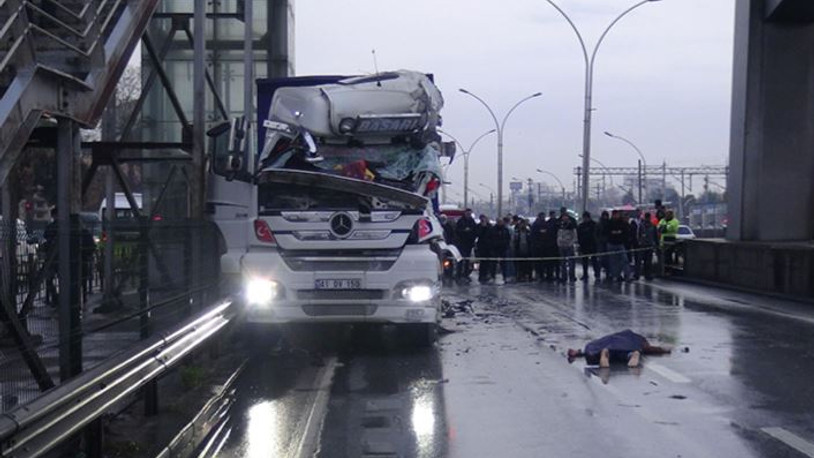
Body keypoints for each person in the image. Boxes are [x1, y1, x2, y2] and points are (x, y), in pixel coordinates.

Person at [567, 329, 672, 368]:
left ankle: (600, 353)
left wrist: (578, 353)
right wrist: (666, 350)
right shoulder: (637, 341)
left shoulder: (631, 335)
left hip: (606, 343)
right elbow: (652, 349)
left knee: (596, 347)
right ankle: (631, 355)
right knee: (625, 354)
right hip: (624, 347)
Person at [607, 210, 631, 282]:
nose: (616, 216)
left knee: (624, 260)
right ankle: (616, 275)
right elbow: (607, 232)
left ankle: (627, 275)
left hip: (620, 243)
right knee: (614, 261)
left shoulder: (622, 223)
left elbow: (625, 232)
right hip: (612, 243)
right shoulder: (609, 223)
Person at [577, 211, 600, 281]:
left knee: (594, 261)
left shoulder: (594, 225)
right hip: (584, 245)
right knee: (585, 262)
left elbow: (597, 235)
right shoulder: (581, 226)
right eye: (584, 218)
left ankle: (597, 274)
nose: (585, 219)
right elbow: (579, 236)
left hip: (593, 245)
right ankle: (585, 274)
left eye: (586, 218)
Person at [455, 209, 477, 282]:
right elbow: (457, 231)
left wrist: (471, 237)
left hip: (469, 243)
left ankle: (466, 274)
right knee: (460, 259)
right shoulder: (461, 221)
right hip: (461, 243)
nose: (468, 215)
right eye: (467, 213)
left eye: (470, 213)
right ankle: (458, 274)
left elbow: (475, 231)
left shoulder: (472, 221)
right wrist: (464, 231)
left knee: (467, 260)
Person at [556, 207, 577, 282]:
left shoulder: (572, 222)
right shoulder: (559, 222)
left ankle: (572, 276)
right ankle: (564, 276)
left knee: (571, 262)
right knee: (562, 262)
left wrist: (572, 243)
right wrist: (558, 243)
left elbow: (574, 235)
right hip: (561, 245)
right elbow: (558, 234)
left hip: (569, 245)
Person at [637, 212, 658, 280]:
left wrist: (656, 244)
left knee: (648, 261)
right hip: (643, 245)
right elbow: (639, 235)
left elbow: (655, 236)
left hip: (649, 245)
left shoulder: (652, 225)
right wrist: (639, 242)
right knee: (640, 261)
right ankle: (638, 275)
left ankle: (647, 275)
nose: (647, 219)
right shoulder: (642, 225)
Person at [475, 214, 495, 283]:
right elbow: (477, 234)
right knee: (482, 262)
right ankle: (482, 275)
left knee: (489, 262)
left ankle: (488, 275)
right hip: (481, 246)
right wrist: (483, 227)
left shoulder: (490, 226)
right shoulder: (478, 226)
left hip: (489, 246)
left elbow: (492, 235)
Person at [542, 210, 560, 282]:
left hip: (549, 245)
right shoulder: (557, 223)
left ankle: (550, 275)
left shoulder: (547, 223)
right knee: (556, 262)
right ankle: (556, 275)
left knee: (550, 262)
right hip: (555, 245)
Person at [530, 213, 547, 282]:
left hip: (540, 246)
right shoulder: (537, 225)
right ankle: (540, 274)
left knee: (540, 262)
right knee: (539, 262)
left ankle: (540, 274)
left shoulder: (537, 224)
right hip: (538, 246)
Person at [493, 218, 512, 282]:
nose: (500, 223)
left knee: (504, 264)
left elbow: (508, 238)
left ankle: (505, 276)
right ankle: (493, 276)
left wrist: (506, 244)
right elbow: (490, 237)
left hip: (503, 248)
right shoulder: (493, 229)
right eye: (499, 222)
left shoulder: (505, 229)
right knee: (493, 263)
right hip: (495, 248)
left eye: (501, 222)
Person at [596, 210, 611, 279]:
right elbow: (596, 234)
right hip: (601, 243)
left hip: (607, 242)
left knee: (608, 259)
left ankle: (608, 273)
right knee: (600, 259)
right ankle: (598, 274)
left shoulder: (609, 223)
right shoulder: (599, 224)